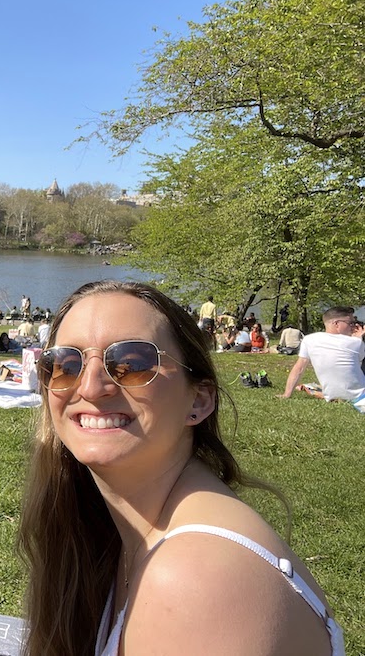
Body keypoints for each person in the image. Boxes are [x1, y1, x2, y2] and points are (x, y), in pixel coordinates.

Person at [18, 280, 343, 656]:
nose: (90, 387)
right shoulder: (120, 537)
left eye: (132, 363)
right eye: (65, 364)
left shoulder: (196, 578)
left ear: (199, 400)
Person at [280, 306, 365, 411]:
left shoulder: (309, 340)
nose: (354, 326)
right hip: (360, 398)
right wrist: (359, 338)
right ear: (336, 324)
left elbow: (299, 368)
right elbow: (359, 364)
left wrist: (286, 394)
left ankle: (312, 389)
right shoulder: (355, 342)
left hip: (333, 398)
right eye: (350, 323)